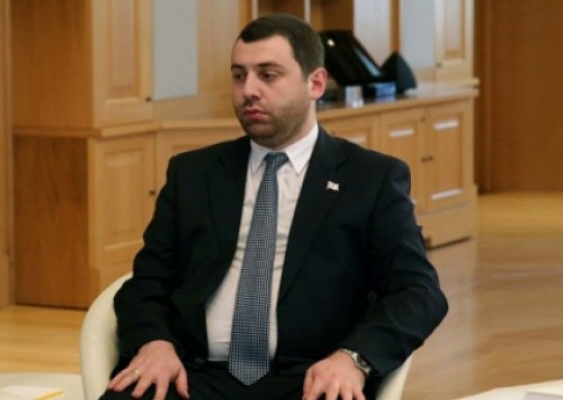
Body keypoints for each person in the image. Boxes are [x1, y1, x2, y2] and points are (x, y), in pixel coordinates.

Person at [100, 13, 448, 400]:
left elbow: (418, 292)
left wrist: (353, 358)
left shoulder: (371, 179)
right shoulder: (193, 174)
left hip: (311, 378)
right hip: (191, 372)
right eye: (239, 75)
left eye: (268, 75)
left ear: (316, 83)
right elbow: (148, 280)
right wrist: (154, 343)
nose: (248, 90)